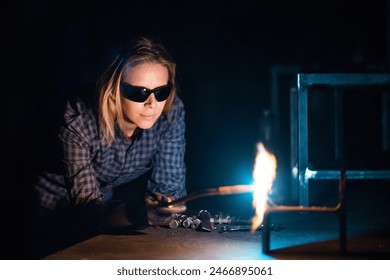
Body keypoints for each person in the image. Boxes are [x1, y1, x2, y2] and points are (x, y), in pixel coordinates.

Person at [31, 36, 187, 258]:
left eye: (161, 91)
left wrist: (165, 207)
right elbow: (89, 212)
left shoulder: (171, 113)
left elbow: (169, 191)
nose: (152, 104)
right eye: (139, 93)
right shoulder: (78, 117)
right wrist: (140, 212)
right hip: (47, 199)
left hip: (104, 199)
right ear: (113, 90)